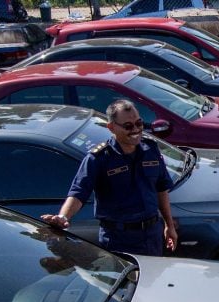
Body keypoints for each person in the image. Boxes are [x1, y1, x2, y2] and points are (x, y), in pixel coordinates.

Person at [42, 99, 177, 256]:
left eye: (139, 123)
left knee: (153, 278)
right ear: (111, 127)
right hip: (119, 239)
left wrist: (169, 225)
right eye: (128, 126)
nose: (136, 130)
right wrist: (63, 216)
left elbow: (161, 189)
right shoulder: (99, 158)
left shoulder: (150, 149)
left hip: (152, 234)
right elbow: (79, 192)